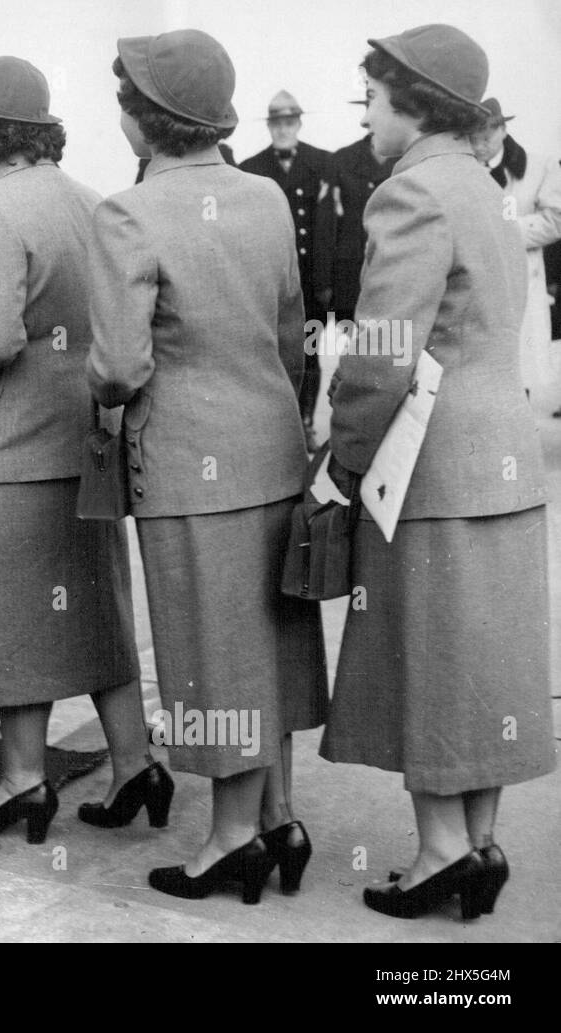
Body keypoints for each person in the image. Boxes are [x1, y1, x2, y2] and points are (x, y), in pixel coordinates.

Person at [89, 30, 330, 904]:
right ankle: (278, 815)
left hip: (189, 460)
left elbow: (117, 366)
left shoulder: (128, 212)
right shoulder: (267, 195)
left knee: (209, 648)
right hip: (271, 446)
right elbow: (290, 332)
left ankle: (230, 839)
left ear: (144, 120)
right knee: (270, 640)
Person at [322, 25, 555, 920]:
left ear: (410, 102)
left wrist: (343, 459)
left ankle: (439, 852)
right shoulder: (489, 189)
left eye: (371, 98)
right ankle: (480, 843)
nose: (368, 116)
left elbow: (382, 356)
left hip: (430, 463)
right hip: (502, 457)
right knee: (485, 664)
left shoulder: (409, 194)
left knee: (425, 655)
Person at [0, 57, 167, 845]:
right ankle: (136, 762)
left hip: (12, 441)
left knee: (7, 618)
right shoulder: (91, 202)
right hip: (87, 436)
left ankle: (23, 782)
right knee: (100, 606)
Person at [240, 91, 334, 449]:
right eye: (277, 123)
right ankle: (278, 425)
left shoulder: (323, 164)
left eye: (289, 123)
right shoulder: (251, 168)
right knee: (273, 350)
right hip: (271, 281)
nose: (283, 129)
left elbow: (330, 228)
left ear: (299, 123)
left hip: (310, 282)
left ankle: (306, 421)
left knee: (309, 351)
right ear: (269, 126)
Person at [469, 98, 561, 411]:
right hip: (473, 284)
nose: (479, 145)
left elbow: (556, 219)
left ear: (503, 130)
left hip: (519, 281)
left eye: (486, 137)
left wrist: (504, 230)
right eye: (473, 137)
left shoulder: (540, 166)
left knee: (517, 369)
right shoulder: (462, 168)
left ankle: (515, 441)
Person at [313, 120, 397, 325]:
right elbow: (325, 224)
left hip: (394, 276)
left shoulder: (407, 161)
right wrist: (322, 281)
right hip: (349, 280)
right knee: (353, 349)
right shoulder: (342, 160)